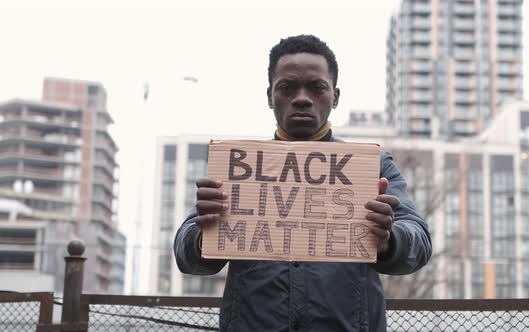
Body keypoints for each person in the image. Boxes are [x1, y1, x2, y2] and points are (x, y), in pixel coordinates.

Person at [174, 34, 432, 332]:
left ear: (335, 96)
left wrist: (389, 241)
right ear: (270, 95)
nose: (302, 98)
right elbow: (185, 254)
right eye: (287, 87)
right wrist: (202, 233)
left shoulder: (373, 166)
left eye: (316, 87)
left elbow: (419, 242)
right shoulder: (237, 167)